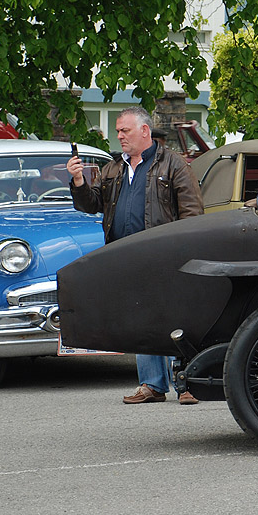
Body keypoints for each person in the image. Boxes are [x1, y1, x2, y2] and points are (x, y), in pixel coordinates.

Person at [67, 106, 204, 405]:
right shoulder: (114, 168)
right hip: (126, 257)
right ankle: (153, 385)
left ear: (144, 131)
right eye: (118, 131)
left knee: (177, 320)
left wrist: (185, 253)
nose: (119, 136)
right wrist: (78, 182)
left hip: (165, 255)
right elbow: (93, 204)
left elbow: (193, 213)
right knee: (143, 322)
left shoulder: (175, 165)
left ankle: (189, 383)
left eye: (124, 131)